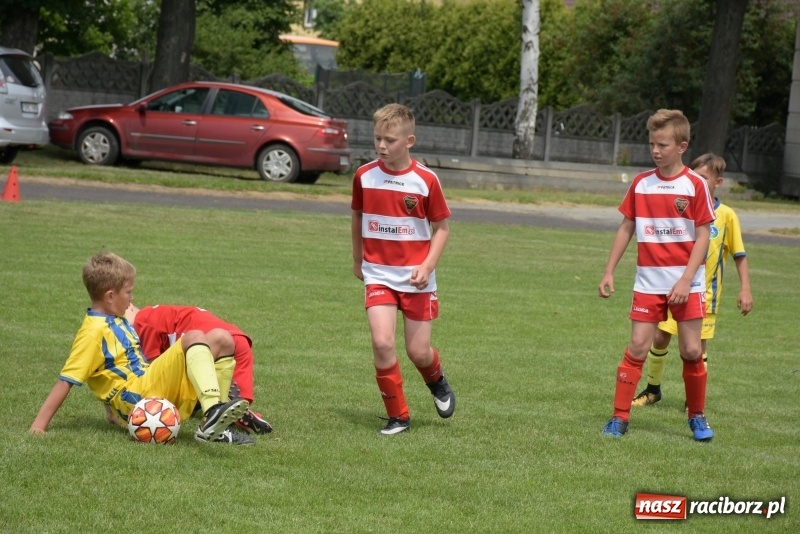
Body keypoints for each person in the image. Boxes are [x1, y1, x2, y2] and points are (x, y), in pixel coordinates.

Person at [29, 252, 255, 445]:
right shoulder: (93, 332)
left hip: (147, 383)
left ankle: (215, 427)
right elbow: (67, 379)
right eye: (128, 292)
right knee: (194, 336)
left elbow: (105, 371)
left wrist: (108, 408)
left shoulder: (116, 318)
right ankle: (213, 409)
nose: (132, 297)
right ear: (110, 296)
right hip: (139, 400)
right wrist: (39, 426)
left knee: (222, 338)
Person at [597, 109, 716, 441]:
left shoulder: (695, 185)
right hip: (648, 283)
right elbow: (626, 228)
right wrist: (609, 271)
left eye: (663, 144)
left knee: (692, 350)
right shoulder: (641, 183)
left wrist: (685, 279)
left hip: (687, 283)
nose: (656, 150)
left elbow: (704, 235)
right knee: (637, 345)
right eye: (652, 143)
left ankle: (697, 417)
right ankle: (620, 417)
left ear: (682, 146)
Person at [351, 103, 456, 436]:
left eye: (390, 140)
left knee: (418, 351)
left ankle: (437, 381)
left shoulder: (425, 181)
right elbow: (357, 216)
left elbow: (442, 228)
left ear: (409, 140)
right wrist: (358, 260)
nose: (382, 146)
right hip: (378, 274)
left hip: (416, 278)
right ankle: (398, 416)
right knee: (382, 343)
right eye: (378, 138)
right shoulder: (364, 176)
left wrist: (427, 266)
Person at [632, 153, 753, 406]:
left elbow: (739, 255)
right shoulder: (682, 204)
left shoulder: (727, 215)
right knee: (660, 337)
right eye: (694, 175)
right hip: (672, 288)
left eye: (703, 177)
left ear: (717, 182)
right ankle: (653, 389)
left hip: (704, 294)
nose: (697, 180)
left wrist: (745, 289)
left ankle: (693, 401)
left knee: (697, 348)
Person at [125, 304, 273, 434]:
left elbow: (156, 369)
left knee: (194, 375)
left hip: (211, 342)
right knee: (236, 398)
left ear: (129, 307)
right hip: (237, 339)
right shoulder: (160, 312)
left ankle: (218, 409)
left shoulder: (142, 321)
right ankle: (236, 412)